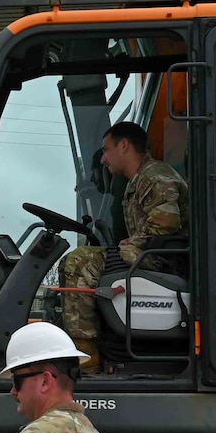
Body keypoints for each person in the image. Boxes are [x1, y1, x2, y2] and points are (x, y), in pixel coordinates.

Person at [56, 120, 190, 372]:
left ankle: (87, 357)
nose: (103, 159)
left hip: (166, 259)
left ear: (124, 146)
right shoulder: (139, 179)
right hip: (155, 253)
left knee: (79, 261)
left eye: (106, 150)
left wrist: (134, 242)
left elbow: (166, 223)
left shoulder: (155, 176)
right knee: (73, 262)